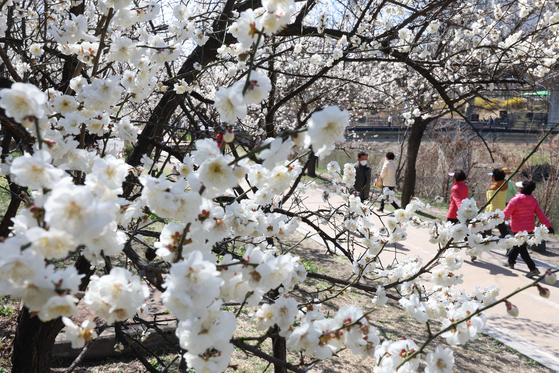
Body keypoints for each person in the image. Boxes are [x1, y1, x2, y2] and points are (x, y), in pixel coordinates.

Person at [502, 179, 555, 278]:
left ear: (522, 188)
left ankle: (533, 269)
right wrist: (548, 225)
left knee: (522, 250)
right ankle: (510, 262)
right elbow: (540, 214)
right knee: (517, 245)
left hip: (517, 229)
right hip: (529, 229)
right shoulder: (533, 200)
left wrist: (497, 220)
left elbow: (506, 213)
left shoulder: (515, 200)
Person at [446, 170, 472, 259]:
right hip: (464, 215)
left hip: (453, 214)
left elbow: (457, 200)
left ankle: (448, 251)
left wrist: (460, 208)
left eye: (453, 177)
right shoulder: (466, 186)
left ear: (455, 178)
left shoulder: (454, 188)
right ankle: (471, 251)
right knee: (466, 233)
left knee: (450, 233)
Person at [484, 168, 509, 238]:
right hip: (501, 211)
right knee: (503, 230)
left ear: (494, 177)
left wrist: (490, 215)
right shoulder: (504, 185)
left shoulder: (494, 187)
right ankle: (510, 246)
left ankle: (478, 245)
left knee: (483, 229)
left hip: (492, 212)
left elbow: (493, 203)